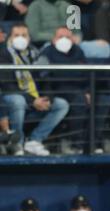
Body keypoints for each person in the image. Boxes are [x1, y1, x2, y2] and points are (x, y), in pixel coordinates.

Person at [0, 22, 69, 156]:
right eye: (16, 35)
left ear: (29, 38)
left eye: (24, 35)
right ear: (10, 38)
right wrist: (33, 101)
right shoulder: (2, 53)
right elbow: (7, 84)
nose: (20, 38)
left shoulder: (36, 54)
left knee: (61, 104)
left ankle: (35, 141)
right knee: (17, 100)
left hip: (35, 98)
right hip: (12, 97)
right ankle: (17, 143)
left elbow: (46, 78)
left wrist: (47, 98)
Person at [38, 26, 89, 154]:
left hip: (77, 88)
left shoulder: (78, 51)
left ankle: (90, 143)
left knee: (93, 99)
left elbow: (88, 74)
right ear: (54, 39)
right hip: (56, 89)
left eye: (68, 37)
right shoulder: (47, 52)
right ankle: (75, 143)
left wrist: (88, 91)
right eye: (61, 37)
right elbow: (44, 77)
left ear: (73, 39)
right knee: (78, 100)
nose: (64, 40)